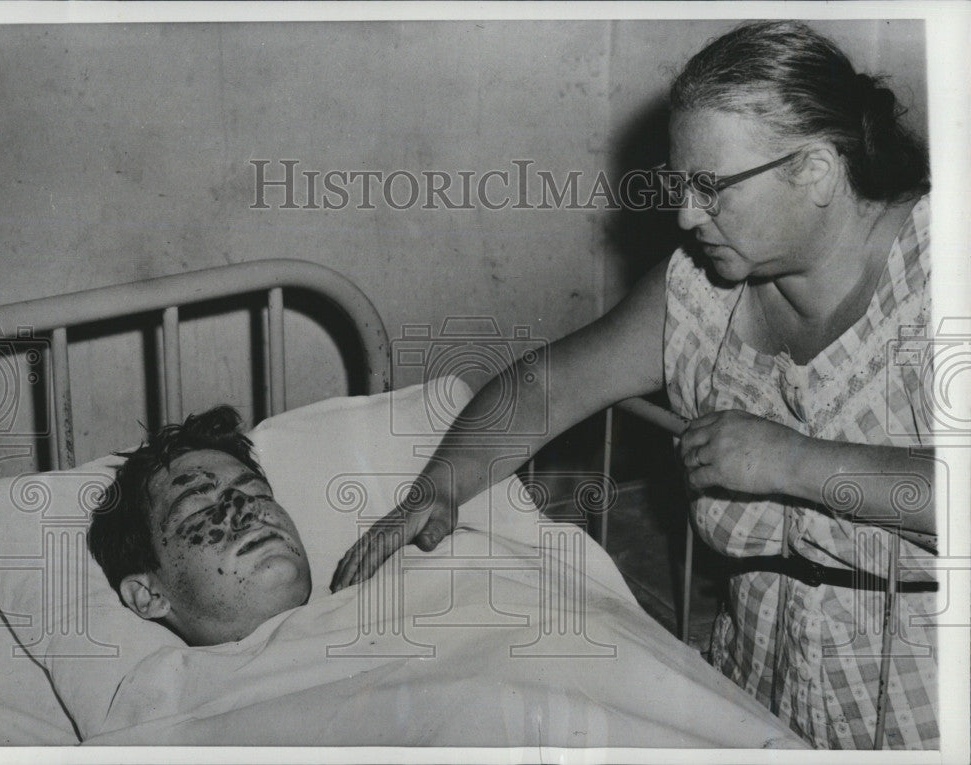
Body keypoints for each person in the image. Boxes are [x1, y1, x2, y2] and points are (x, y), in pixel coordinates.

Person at [331, 21, 937, 750]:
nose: (685, 215)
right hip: (760, 704)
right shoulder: (704, 292)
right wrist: (440, 486)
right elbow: (545, 387)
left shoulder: (938, 270)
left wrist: (795, 461)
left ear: (812, 168)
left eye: (710, 189)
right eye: (678, 187)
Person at [88, 405, 312, 647]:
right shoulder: (163, 683)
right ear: (148, 595)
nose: (247, 508)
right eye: (199, 508)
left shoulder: (357, 608)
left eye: (259, 494)